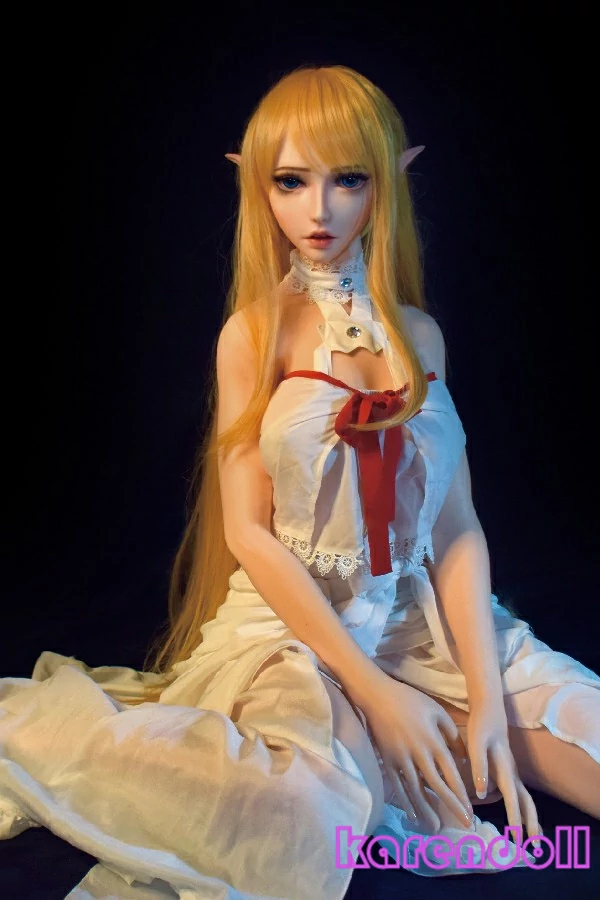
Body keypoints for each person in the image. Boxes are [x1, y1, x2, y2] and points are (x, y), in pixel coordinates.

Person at [1, 64, 599, 900]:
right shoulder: (253, 335)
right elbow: (247, 531)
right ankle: (391, 733)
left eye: (348, 178)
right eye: (290, 181)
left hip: (417, 616)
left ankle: (456, 720)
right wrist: (374, 692)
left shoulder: (421, 335)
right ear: (258, 185)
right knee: (302, 816)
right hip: (293, 624)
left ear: (389, 180)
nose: (319, 210)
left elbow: (456, 525)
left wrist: (491, 701)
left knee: (585, 726)